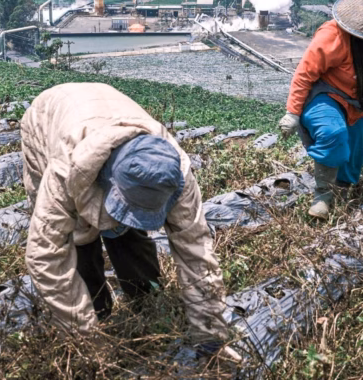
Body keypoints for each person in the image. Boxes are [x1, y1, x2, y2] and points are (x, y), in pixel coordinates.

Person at [20, 82, 234, 362]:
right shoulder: (65, 166)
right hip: (47, 119)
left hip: (103, 109)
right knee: (77, 236)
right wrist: (88, 342)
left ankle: (144, 299)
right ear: (108, 181)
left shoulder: (174, 171)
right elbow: (45, 257)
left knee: (127, 229)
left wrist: (210, 335)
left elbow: (196, 250)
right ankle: (97, 311)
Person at [279, 0, 363, 219]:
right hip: (326, 96)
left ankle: (341, 194)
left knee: (353, 156)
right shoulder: (333, 36)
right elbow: (304, 74)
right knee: (334, 134)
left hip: (359, 101)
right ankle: (322, 196)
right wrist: (292, 113)